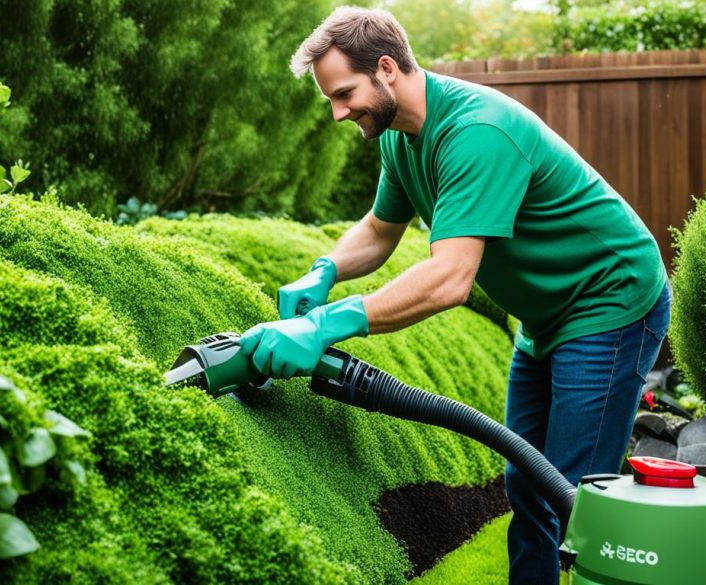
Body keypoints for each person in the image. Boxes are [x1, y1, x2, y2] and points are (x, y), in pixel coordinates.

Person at [236, 6, 671, 584]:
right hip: (545, 318)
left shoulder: (475, 132)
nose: (339, 113)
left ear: (386, 68)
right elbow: (379, 230)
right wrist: (323, 270)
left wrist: (324, 326)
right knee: (527, 481)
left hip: (608, 302)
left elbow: (449, 279)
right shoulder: (400, 137)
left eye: (343, 94)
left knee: (576, 496)